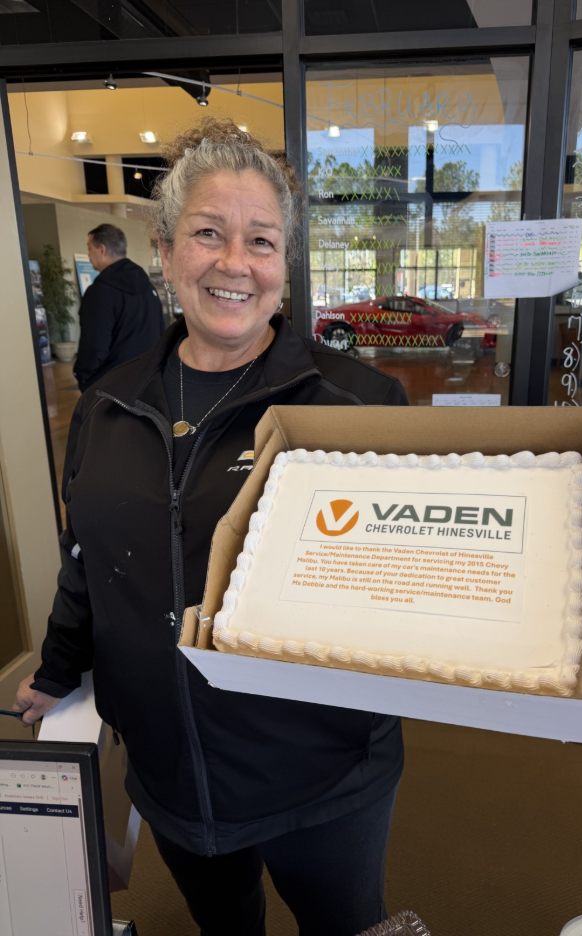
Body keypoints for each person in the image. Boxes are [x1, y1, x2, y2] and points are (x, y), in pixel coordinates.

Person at [13, 118, 407, 936]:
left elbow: (401, 583)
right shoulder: (108, 403)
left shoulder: (357, 404)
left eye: (261, 241)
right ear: (165, 250)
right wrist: (57, 668)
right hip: (169, 771)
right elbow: (90, 560)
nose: (235, 263)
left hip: (321, 773)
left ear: (283, 264)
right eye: (207, 234)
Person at [73, 223, 165, 391]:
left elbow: (94, 347)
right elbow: (160, 331)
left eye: (89, 249)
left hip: (110, 387)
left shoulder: (100, 292)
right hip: (147, 380)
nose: (88, 255)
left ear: (102, 250)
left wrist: (83, 377)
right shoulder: (148, 287)